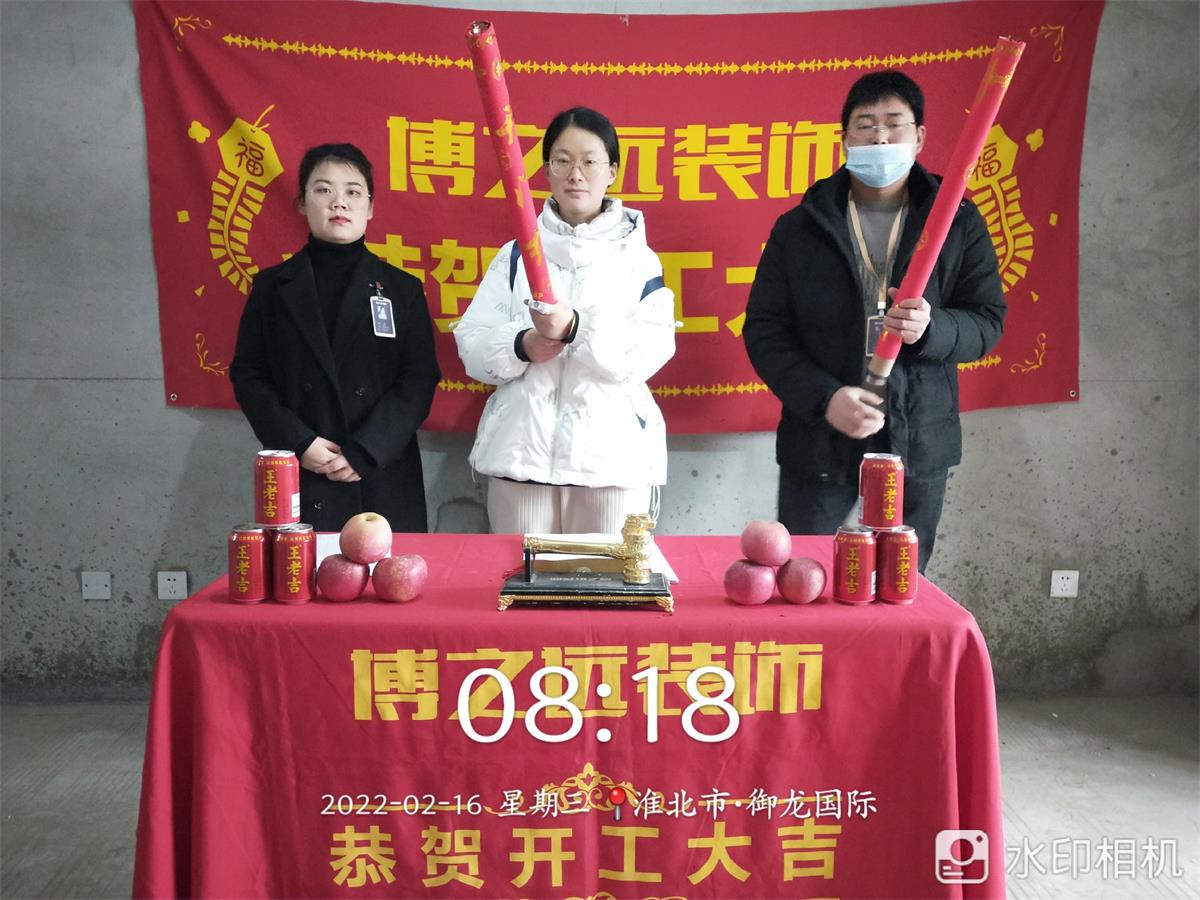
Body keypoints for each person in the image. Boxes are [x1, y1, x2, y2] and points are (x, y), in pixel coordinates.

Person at [743, 71, 1006, 572]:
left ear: (919, 136)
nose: (880, 138)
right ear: (844, 138)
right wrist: (825, 398)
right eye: (865, 125)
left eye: (893, 123)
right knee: (804, 578)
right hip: (820, 442)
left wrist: (932, 329)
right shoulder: (800, 227)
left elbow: (987, 321)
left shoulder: (956, 221)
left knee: (902, 587)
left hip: (917, 438)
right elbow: (765, 331)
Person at [454, 107, 676, 534]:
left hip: (611, 468)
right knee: (519, 573)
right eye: (562, 160)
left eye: (590, 161)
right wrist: (522, 345)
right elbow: (473, 343)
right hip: (521, 461)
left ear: (612, 171)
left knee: (607, 576)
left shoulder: (639, 261)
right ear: (546, 170)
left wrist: (576, 329)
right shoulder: (515, 255)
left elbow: (649, 352)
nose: (576, 174)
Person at [231, 143, 440, 532]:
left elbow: (418, 380)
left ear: (370, 207)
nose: (339, 202)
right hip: (305, 469)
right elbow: (249, 375)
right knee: (302, 569)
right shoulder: (272, 288)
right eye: (323, 189)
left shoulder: (402, 289)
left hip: (380, 472)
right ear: (301, 202)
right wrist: (299, 443)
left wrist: (366, 451)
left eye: (353, 192)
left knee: (390, 567)